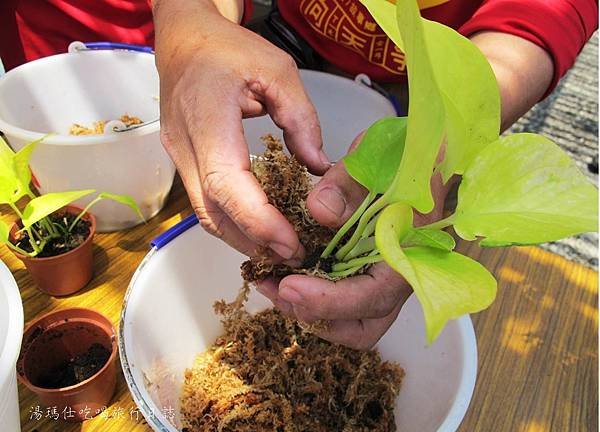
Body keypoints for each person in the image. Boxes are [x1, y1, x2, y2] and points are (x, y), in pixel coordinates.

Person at [1, 0, 597, 348]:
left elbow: (539, 22)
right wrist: (191, 23)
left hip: (428, 87)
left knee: (382, 183)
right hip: (288, 40)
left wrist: (431, 159)